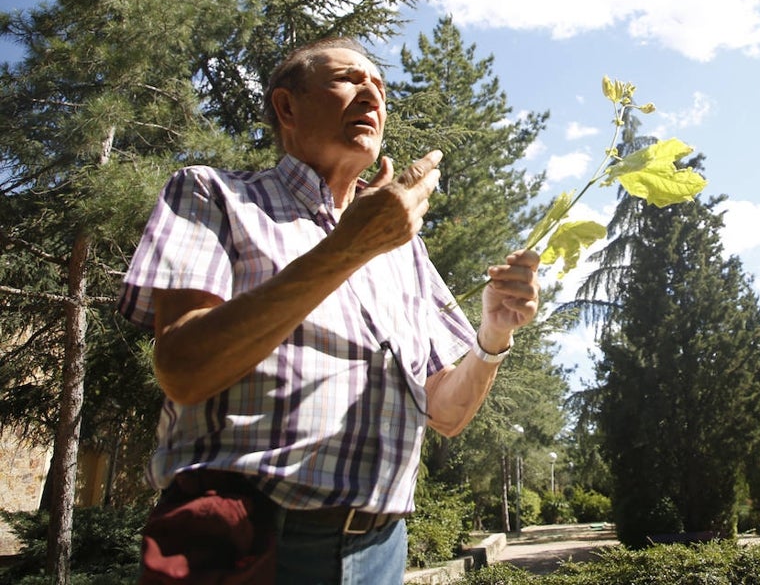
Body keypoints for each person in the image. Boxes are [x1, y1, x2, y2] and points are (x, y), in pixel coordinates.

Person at [117, 36, 540, 584]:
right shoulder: (212, 194)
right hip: (245, 536)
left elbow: (446, 413)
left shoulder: (403, 244)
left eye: (380, 87)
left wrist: (493, 335)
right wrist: (351, 246)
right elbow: (183, 367)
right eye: (349, 78)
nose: (372, 93)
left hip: (380, 548)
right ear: (286, 106)